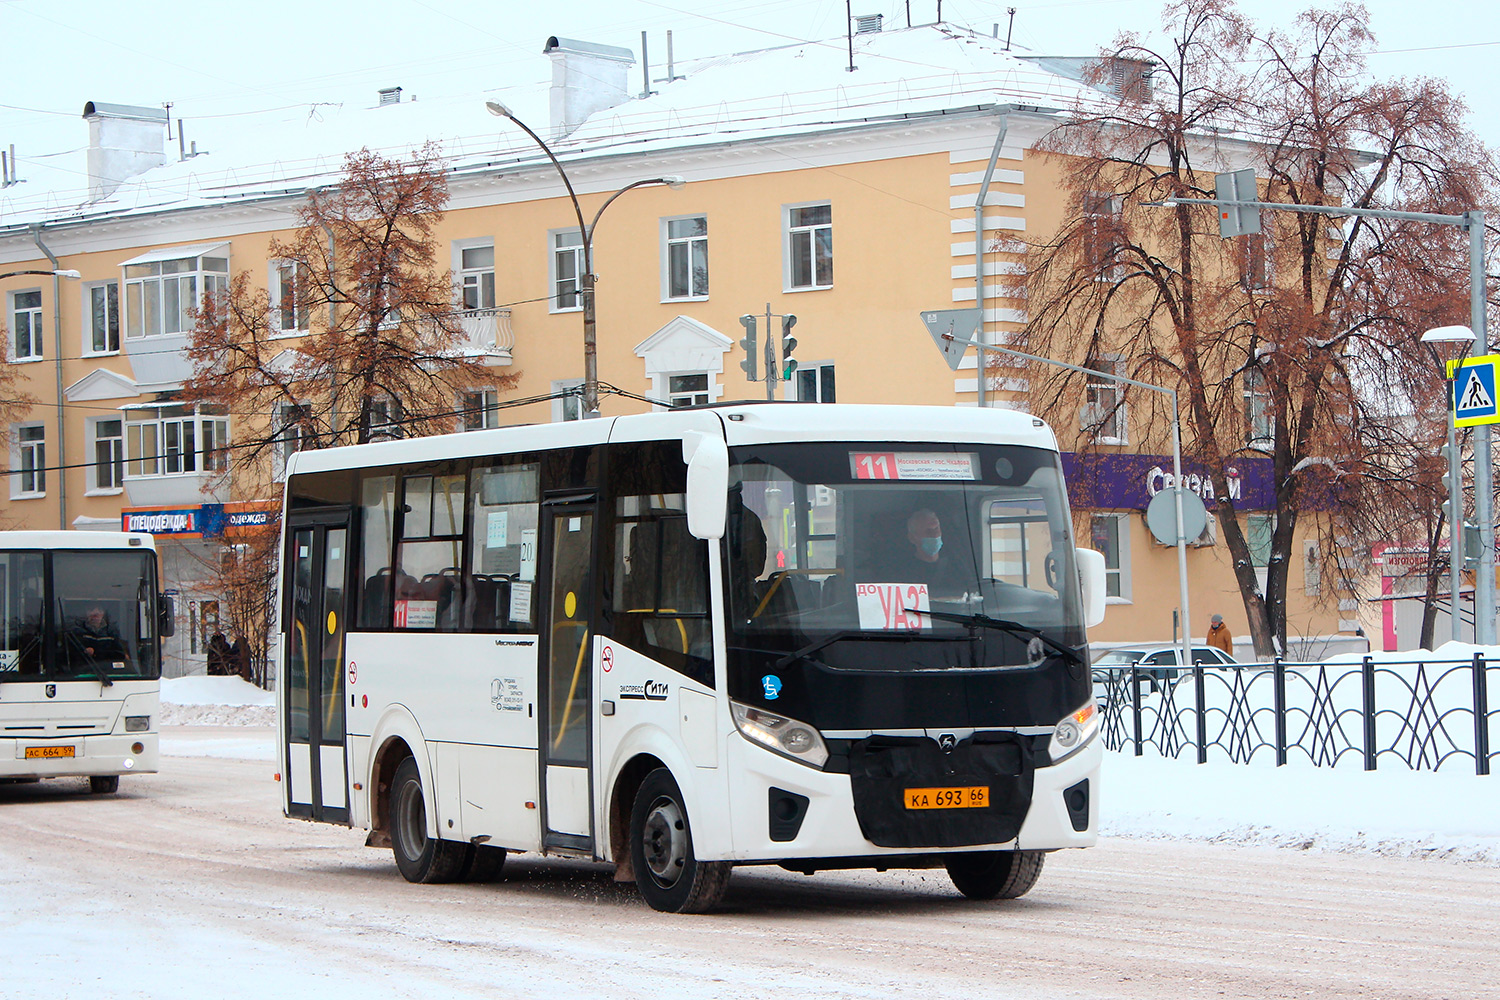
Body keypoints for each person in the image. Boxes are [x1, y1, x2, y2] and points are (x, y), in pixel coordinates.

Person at [893, 508, 974, 597]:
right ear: (912, 538)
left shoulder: (957, 565)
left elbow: (971, 593)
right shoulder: (903, 571)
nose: (935, 535)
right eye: (928, 531)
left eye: (936, 529)